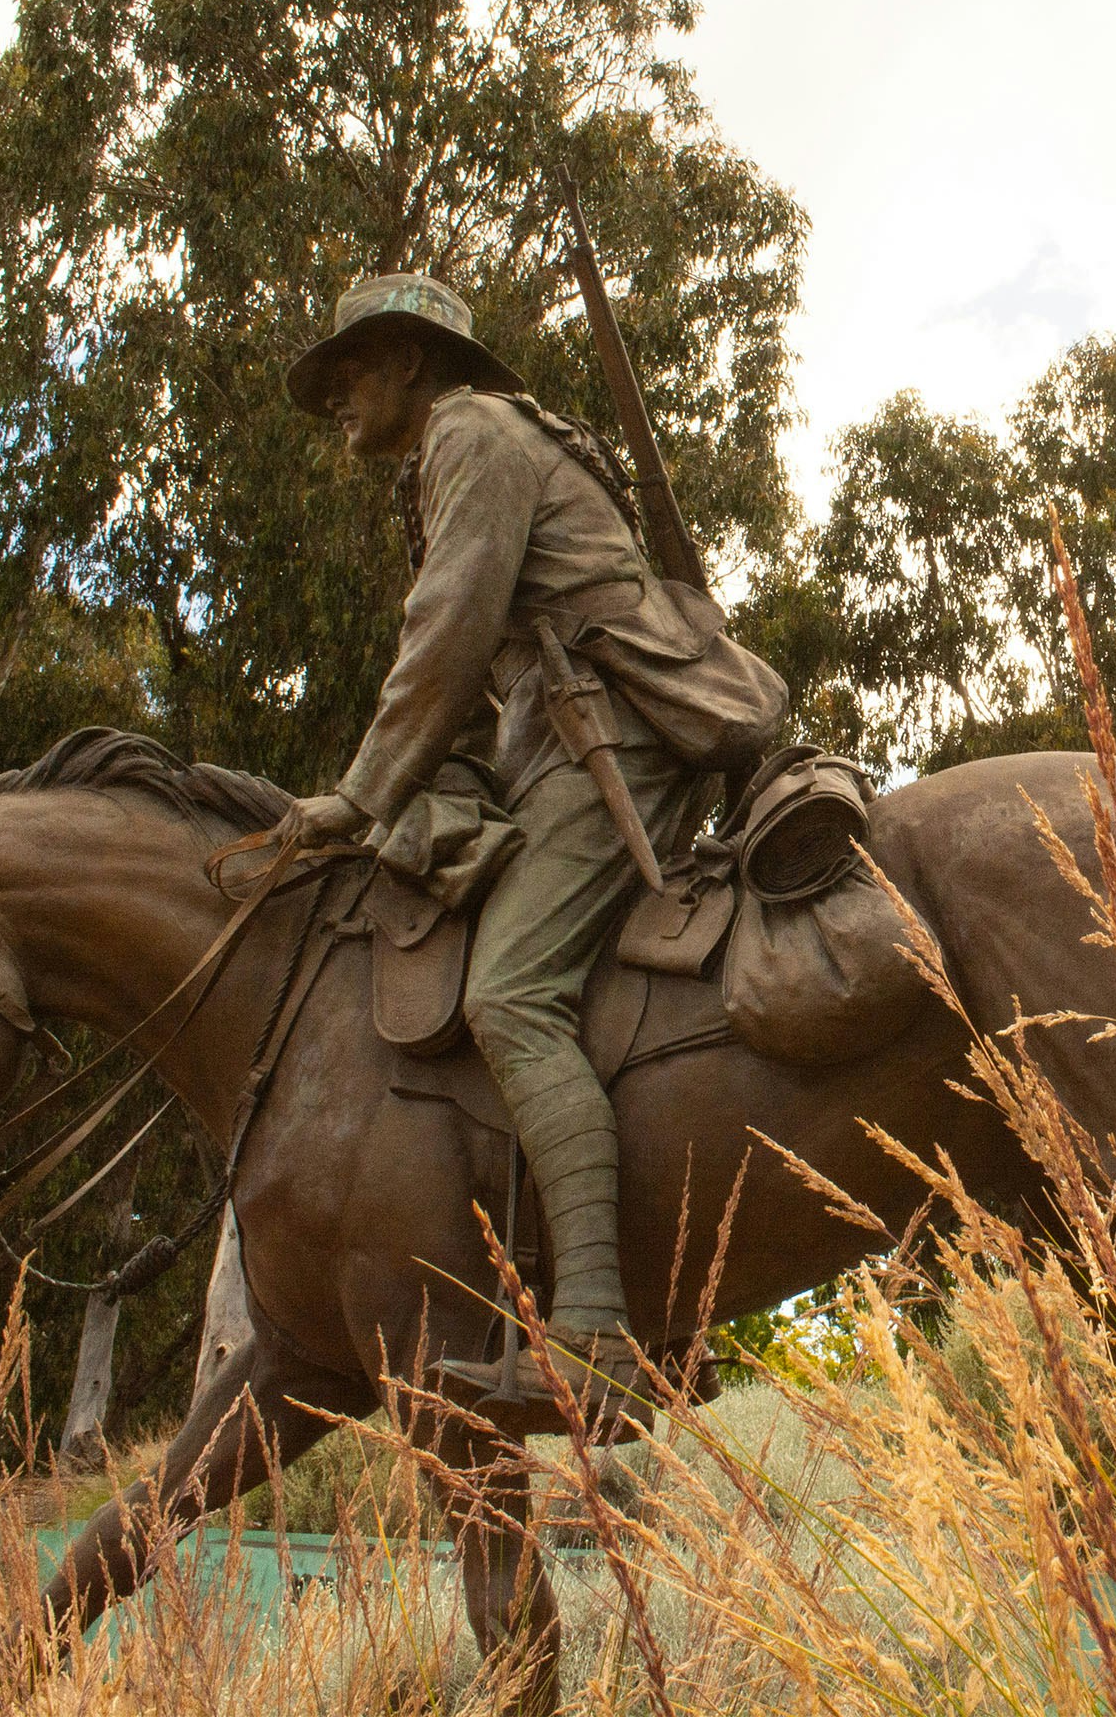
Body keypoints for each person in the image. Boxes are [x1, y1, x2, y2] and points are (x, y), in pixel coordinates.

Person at [280, 271, 786, 1407]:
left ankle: (601, 1335)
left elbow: (449, 629)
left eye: (350, 371)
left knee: (510, 994)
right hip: (556, 748)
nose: (337, 401)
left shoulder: (471, 431)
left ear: (411, 360)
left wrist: (361, 797)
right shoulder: (457, 449)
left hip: (613, 742)